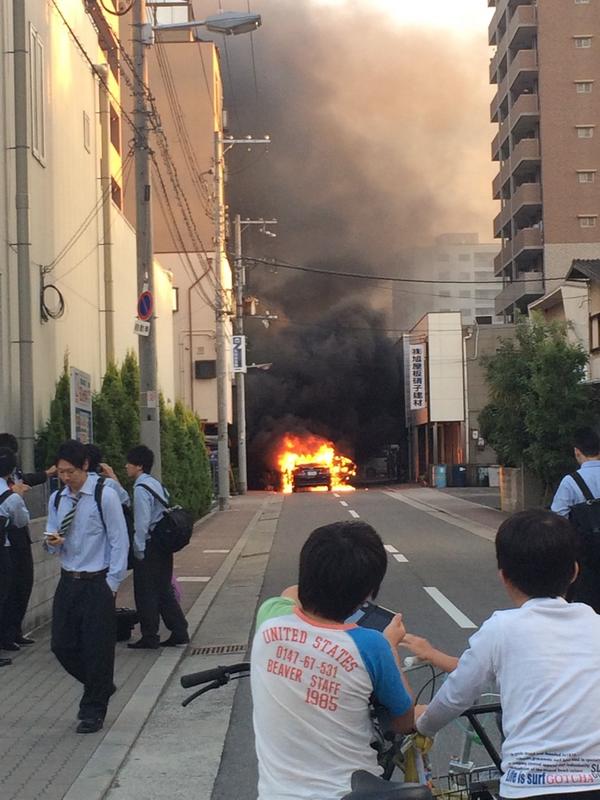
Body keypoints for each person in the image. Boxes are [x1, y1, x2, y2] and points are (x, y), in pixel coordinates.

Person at [415, 510, 600, 800]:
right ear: (575, 572)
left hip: (529, 787)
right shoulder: (596, 624)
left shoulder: (501, 628)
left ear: (504, 577)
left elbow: (456, 696)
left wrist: (424, 724)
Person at [251, 520, 416, 800]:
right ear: (367, 595)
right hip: (349, 792)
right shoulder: (371, 645)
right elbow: (404, 721)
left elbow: (291, 594)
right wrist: (390, 645)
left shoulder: (269, 622)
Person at [45, 439, 128, 733]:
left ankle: (93, 709)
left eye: (70, 472)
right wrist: (52, 543)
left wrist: (112, 582)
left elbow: (119, 540)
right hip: (69, 580)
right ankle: (101, 685)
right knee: (61, 645)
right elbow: (51, 535)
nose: (66, 478)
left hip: (97, 582)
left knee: (97, 649)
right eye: (60, 473)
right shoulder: (58, 499)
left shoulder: (104, 495)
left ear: (84, 466)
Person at [125, 445, 189, 649]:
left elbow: (142, 523)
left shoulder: (140, 488)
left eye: (129, 463)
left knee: (145, 592)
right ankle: (179, 630)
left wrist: (138, 549)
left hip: (151, 546)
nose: (126, 467)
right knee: (162, 589)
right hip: (164, 545)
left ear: (139, 466)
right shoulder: (154, 483)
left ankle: (149, 636)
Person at [0, 432, 57, 646]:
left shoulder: (15, 475)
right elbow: (21, 517)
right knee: (9, 590)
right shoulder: (8, 486)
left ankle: (14, 632)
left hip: (19, 540)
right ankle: (6, 636)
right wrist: (16, 495)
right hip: (9, 540)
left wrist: (47, 473)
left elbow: (29, 478)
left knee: (22, 585)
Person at [551, 426, 600, 610]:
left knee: (587, 605)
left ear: (577, 452)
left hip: (586, 556)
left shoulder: (571, 481)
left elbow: (558, 518)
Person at [0, 447, 30, 666]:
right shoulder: (13, 498)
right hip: (5, 550)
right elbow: (21, 522)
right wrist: (18, 494)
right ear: (11, 471)